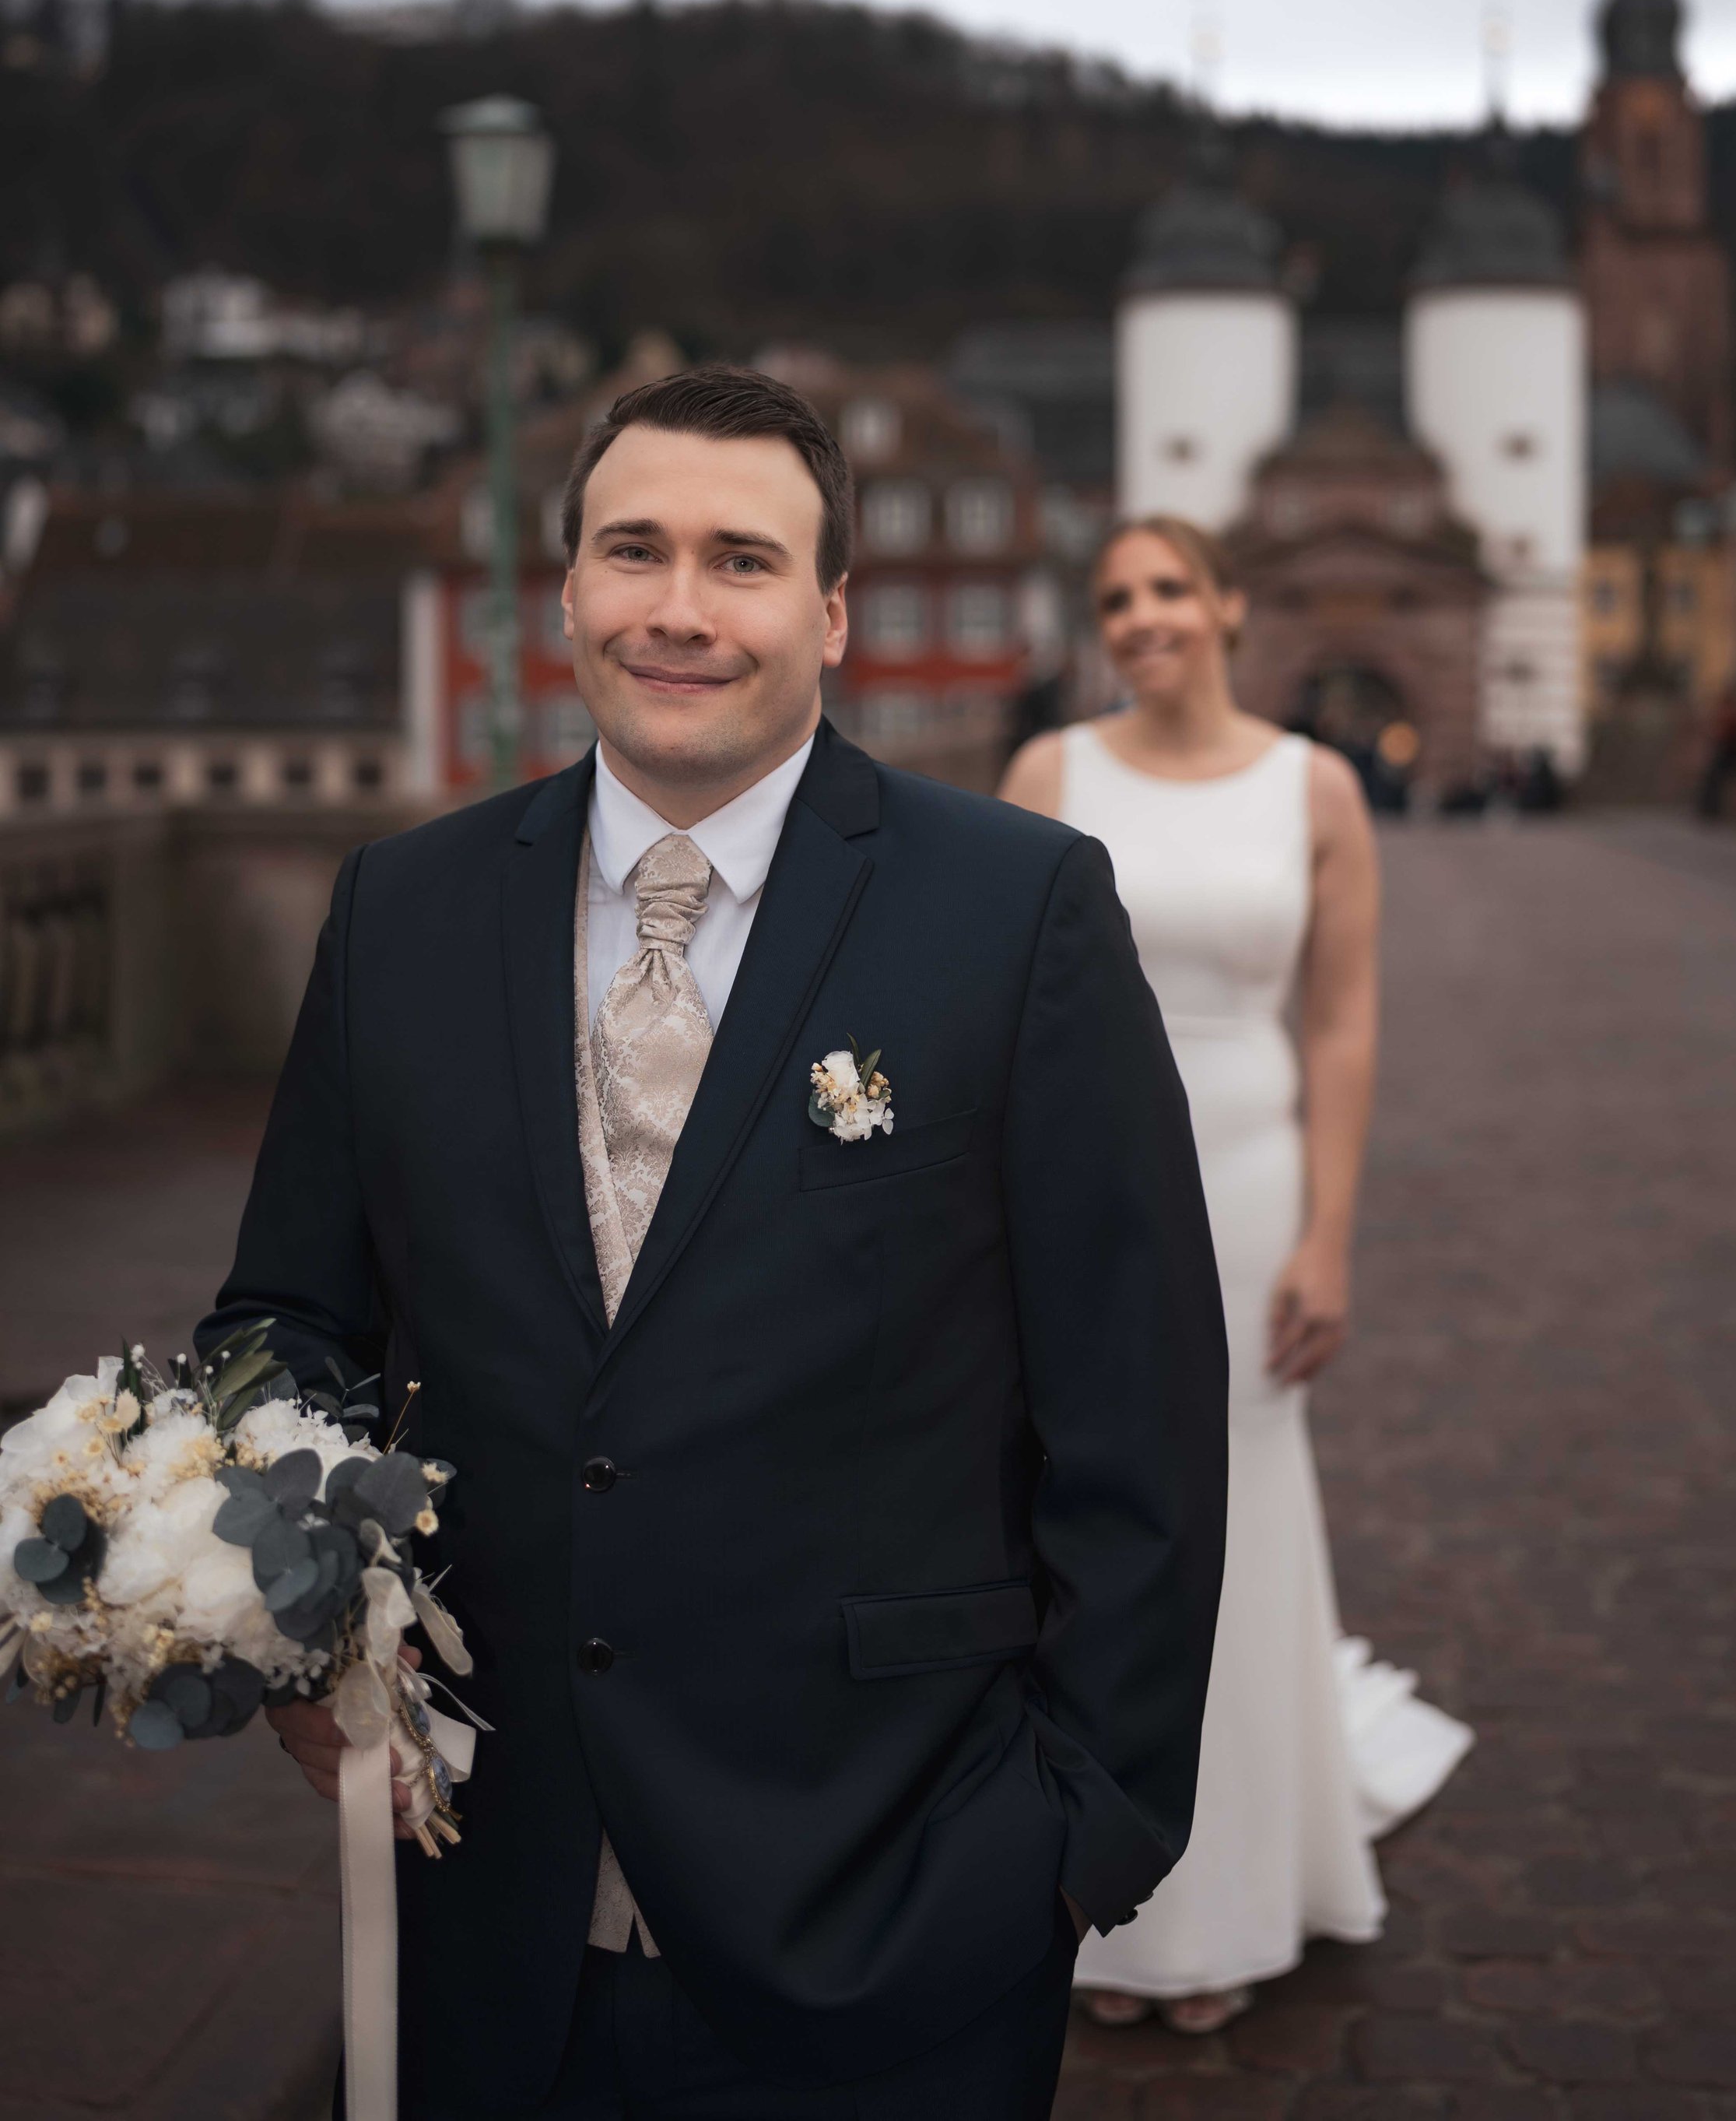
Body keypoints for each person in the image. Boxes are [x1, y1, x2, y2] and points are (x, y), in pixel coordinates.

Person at [204, 368, 1228, 2121]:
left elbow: (1139, 1413)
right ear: (566, 593)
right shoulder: (401, 912)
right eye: (634, 551)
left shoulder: (1017, 910)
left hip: (896, 1911)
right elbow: (288, 1321)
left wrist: (1072, 1843)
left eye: (741, 561)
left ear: (829, 613)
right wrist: (303, 1626)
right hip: (489, 1910)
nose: (678, 608)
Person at [1002, 514, 1471, 2034]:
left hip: (1250, 1181)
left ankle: (1234, 1893)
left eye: (1166, 589)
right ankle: (1101, 1878)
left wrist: (1330, 1234)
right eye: (1113, 598)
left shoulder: (1312, 783)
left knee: (1242, 1515)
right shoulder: (1049, 773)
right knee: (1081, 1515)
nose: (1140, 617)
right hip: (1084, 1188)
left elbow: (1339, 1020)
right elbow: (1000, 1007)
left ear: (1224, 606)